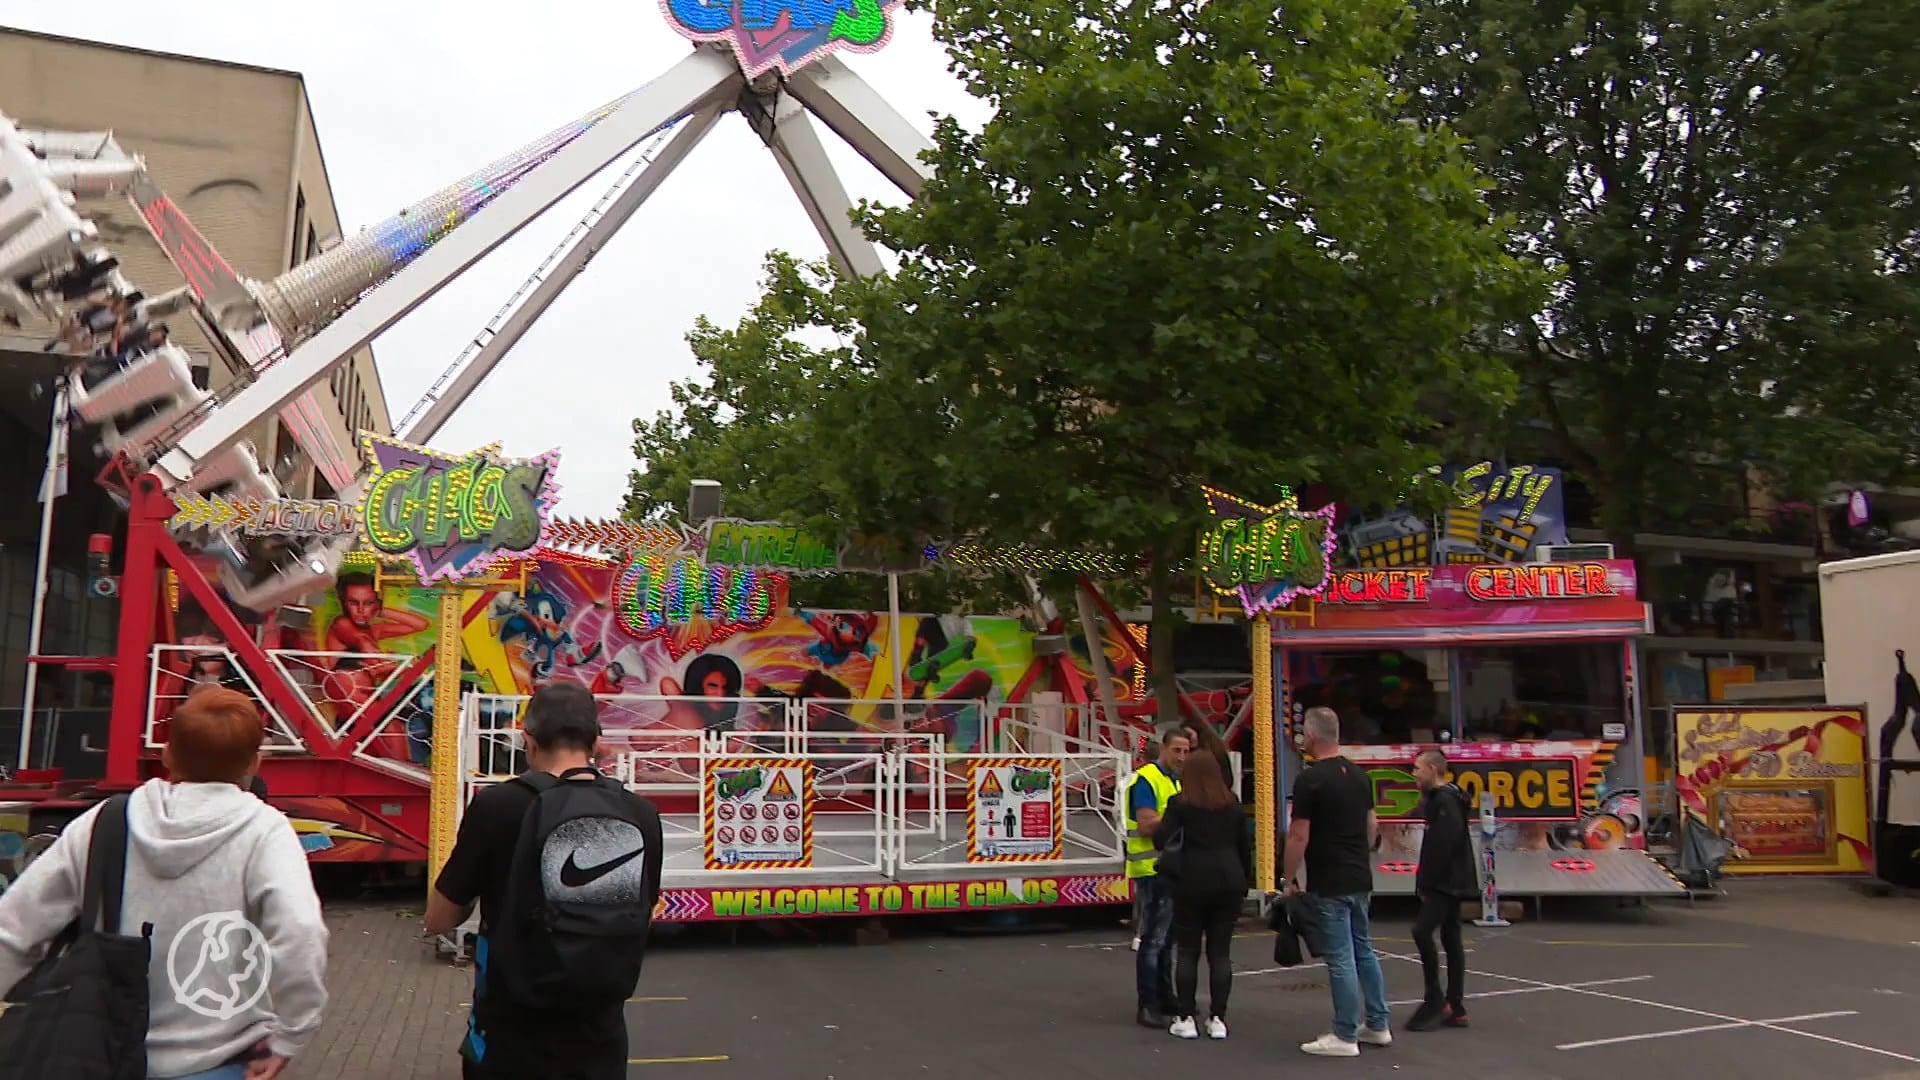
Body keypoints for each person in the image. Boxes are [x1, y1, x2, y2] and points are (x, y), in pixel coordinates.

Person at [0, 687, 329, 1080]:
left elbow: (15, 928)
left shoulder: (106, 820)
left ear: (167, 754)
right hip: (219, 1062)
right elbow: (300, 932)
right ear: (254, 763)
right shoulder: (264, 830)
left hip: (95, 1050)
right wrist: (292, 1034)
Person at [425, 682, 664, 1080]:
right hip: (599, 1039)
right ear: (596, 742)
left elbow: (440, 918)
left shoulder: (497, 806)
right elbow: (644, 912)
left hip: (512, 1036)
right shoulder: (640, 813)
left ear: (528, 741)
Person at [1282, 706, 1392, 1057]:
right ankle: (1377, 1023)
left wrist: (1288, 877)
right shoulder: (1360, 777)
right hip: (1359, 873)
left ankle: (1344, 1033)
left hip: (1329, 877)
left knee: (1340, 956)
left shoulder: (1310, 780)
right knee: (1363, 949)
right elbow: (1372, 825)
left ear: (1311, 736)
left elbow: (1298, 834)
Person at [1155, 750, 1250, 1041]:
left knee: (1187, 950)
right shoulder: (1231, 803)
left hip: (1191, 880)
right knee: (1220, 953)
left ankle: (1185, 1017)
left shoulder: (1180, 804)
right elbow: (1244, 846)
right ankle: (1218, 1018)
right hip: (1229, 879)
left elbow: (1162, 839)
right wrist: (1244, 880)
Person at [1124, 728, 1189, 1027]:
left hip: (1170, 867)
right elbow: (1148, 824)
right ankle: (1147, 1003)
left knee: (1167, 939)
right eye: (1176, 750)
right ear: (1163, 748)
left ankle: (1165, 997)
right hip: (1151, 868)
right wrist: (1181, 814)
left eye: (1186, 751)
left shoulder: (1175, 780)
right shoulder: (1147, 779)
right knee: (1154, 939)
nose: (1181, 757)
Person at [1408, 748, 1475, 1030]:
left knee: (1422, 931)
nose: (1414, 774)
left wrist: (1426, 881)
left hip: (1445, 882)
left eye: (1417, 768)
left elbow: (1442, 844)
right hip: (1453, 879)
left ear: (1433, 770)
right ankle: (1456, 1005)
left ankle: (1436, 998)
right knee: (1450, 936)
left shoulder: (1445, 800)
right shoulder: (1446, 798)